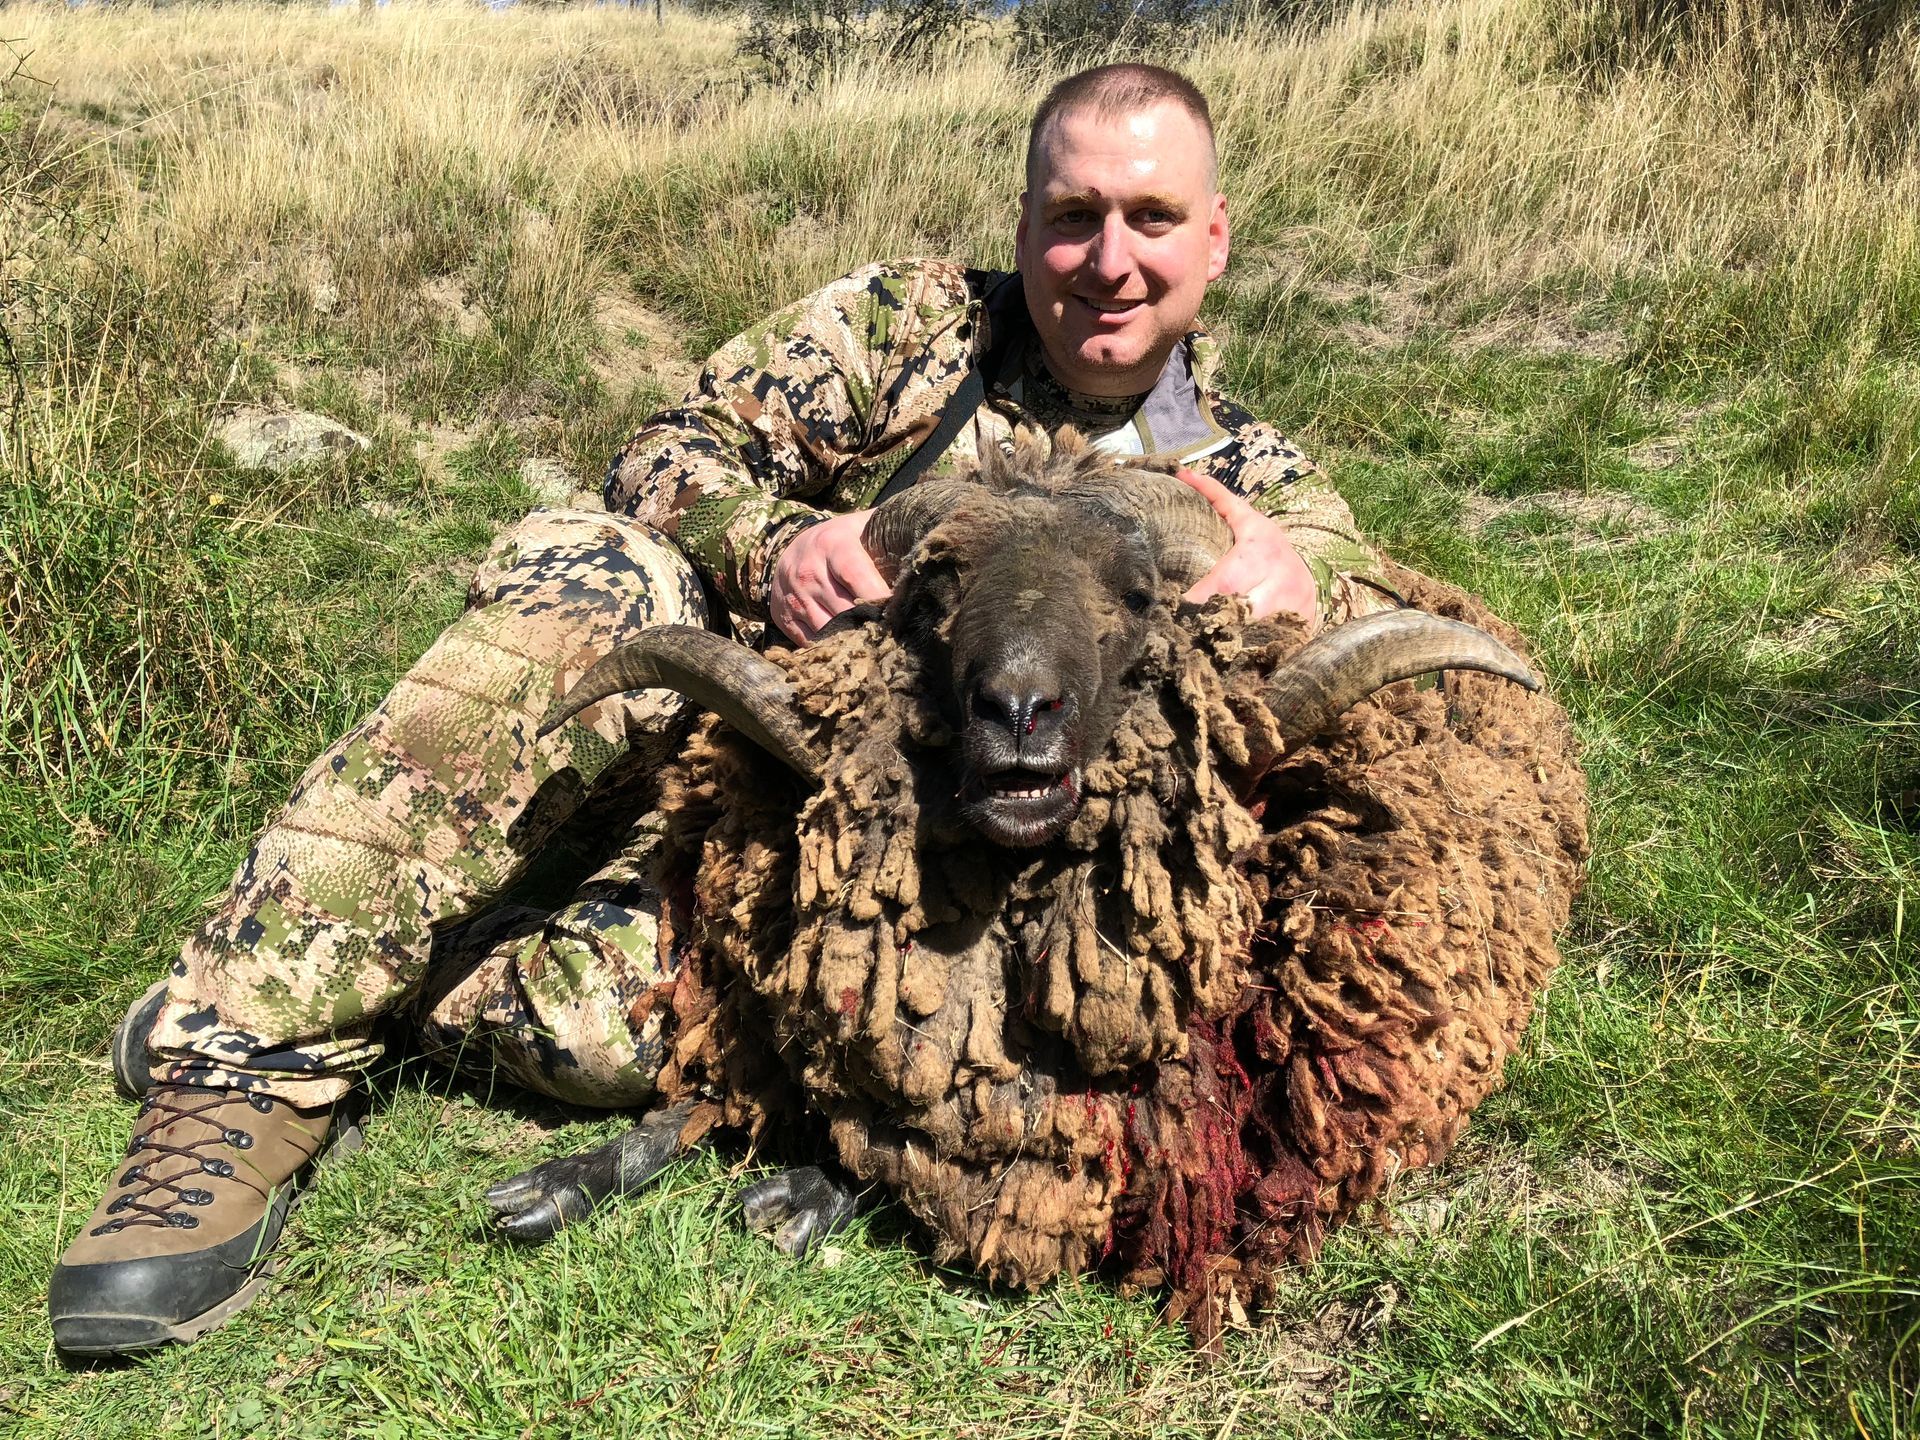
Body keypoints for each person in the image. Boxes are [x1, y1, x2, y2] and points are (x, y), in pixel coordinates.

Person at [47, 61, 1388, 1356]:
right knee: (603, 567)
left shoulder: (1251, 481)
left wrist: (1304, 586)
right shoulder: (907, 335)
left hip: (800, 859)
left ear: (1213, 239)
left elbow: (1358, 593)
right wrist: (773, 540)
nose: (1108, 258)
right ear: (1024, 222)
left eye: (1151, 218)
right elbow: (658, 453)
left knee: (618, 1037)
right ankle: (236, 1053)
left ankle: (366, 946)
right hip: (657, 716)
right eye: (1073, 215)